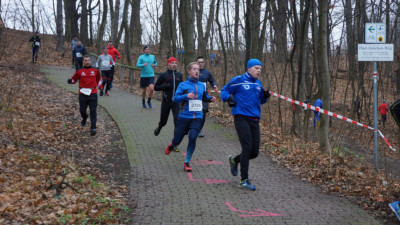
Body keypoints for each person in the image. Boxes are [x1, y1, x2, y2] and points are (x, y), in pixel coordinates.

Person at [221, 59, 270, 191]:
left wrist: (265, 96)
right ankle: (244, 180)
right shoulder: (238, 80)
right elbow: (224, 91)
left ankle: (234, 160)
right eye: (256, 68)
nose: (259, 70)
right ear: (249, 68)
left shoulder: (258, 84)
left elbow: (261, 101)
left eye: (260, 68)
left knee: (254, 152)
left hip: (255, 119)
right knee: (247, 147)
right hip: (241, 117)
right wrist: (229, 99)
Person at [165, 62, 216, 172]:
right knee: (177, 140)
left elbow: (204, 97)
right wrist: (186, 96)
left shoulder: (202, 85)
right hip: (184, 117)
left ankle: (187, 162)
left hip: (197, 117)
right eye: (194, 69)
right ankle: (172, 144)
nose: (197, 71)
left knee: (193, 136)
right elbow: (175, 99)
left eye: (198, 69)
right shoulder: (183, 85)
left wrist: (210, 98)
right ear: (189, 71)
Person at [67, 56, 102, 136]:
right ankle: (85, 117)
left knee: (93, 111)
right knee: (82, 110)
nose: (87, 62)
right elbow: (74, 79)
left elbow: (98, 80)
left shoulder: (95, 70)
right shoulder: (79, 71)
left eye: (88, 60)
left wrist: (101, 88)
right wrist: (70, 81)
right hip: (82, 93)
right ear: (83, 61)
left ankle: (93, 128)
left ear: (90, 61)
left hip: (93, 92)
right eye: (85, 60)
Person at [154, 57, 183, 137]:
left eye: (175, 63)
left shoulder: (179, 75)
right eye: (172, 63)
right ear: (168, 64)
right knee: (163, 122)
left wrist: (184, 99)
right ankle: (159, 127)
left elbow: (182, 87)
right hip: (166, 102)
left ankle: (175, 143)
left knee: (177, 122)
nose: (174, 65)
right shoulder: (164, 75)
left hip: (176, 102)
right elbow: (156, 87)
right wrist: (165, 86)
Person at [197, 56, 218, 137]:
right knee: (195, 111)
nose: (200, 64)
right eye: (199, 62)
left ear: (204, 63)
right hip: (195, 96)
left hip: (204, 95)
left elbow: (212, 80)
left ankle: (199, 129)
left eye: (201, 62)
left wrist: (214, 86)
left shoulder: (207, 72)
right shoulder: (194, 71)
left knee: (203, 112)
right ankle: (193, 127)